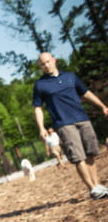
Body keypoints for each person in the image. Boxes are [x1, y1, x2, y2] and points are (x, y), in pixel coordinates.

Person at [33, 52, 108, 199]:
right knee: (78, 156)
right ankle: (92, 188)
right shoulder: (40, 85)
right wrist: (41, 127)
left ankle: (97, 184)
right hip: (63, 124)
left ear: (54, 60)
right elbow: (38, 108)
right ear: (40, 67)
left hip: (82, 119)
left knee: (91, 152)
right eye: (43, 64)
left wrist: (102, 106)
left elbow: (86, 93)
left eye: (48, 61)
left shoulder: (70, 76)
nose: (46, 65)